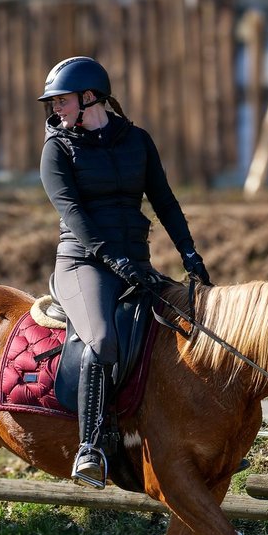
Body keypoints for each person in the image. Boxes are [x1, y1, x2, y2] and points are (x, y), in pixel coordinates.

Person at [38, 55, 212, 489]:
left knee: (186, 332)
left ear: (90, 97)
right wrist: (111, 260)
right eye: (55, 102)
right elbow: (73, 213)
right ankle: (91, 449)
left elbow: (165, 201)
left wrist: (190, 254)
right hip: (83, 262)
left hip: (134, 260)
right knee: (101, 340)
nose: (55, 109)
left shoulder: (137, 140)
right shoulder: (57, 149)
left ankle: (201, 439)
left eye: (62, 100)